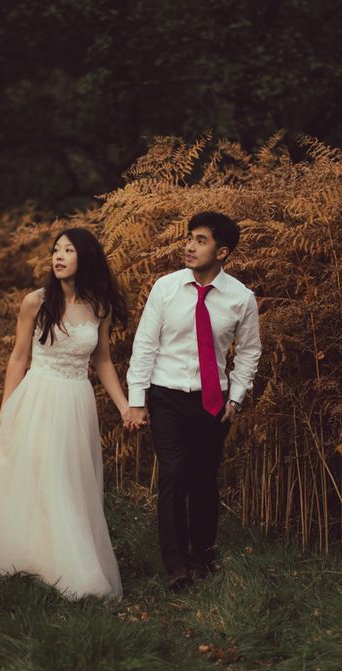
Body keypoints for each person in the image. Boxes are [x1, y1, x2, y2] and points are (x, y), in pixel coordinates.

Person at [0, 227, 128, 600]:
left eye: (68, 250)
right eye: (55, 249)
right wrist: (4, 411)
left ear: (87, 257)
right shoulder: (36, 301)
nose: (58, 256)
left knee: (66, 479)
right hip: (38, 394)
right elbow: (19, 357)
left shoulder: (100, 306)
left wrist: (124, 405)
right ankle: (33, 557)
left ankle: (58, 560)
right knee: (35, 475)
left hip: (76, 400)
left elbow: (103, 360)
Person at [125, 211, 262, 592]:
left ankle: (203, 552)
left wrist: (236, 398)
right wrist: (138, 400)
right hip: (166, 394)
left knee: (203, 478)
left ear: (222, 252)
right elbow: (145, 345)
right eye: (189, 237)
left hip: (213, 400)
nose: (188, 245)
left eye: (200, 240)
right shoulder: (165, 288)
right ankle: (176, 564)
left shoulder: (240, 298)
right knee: (173, 473)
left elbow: (249, 352)